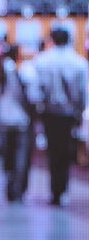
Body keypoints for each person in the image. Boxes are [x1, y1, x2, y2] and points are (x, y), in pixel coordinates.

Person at [32, 27, 88, 206]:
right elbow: (82, 93)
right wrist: (80, 112)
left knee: (53, 152)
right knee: (66, 152)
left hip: (49, 113)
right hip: (69, 114)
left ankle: (55, 190)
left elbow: (36, 90)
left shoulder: (42, 60)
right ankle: (62, 189)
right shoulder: (78, 62)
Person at [0, 46, 35, 202]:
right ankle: (17, 187)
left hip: (4, 119)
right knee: (20, 155)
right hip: (21, 120)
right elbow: (30, 96)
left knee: (8, 154)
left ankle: (11, 184)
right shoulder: (20, 71)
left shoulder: (0, 71)